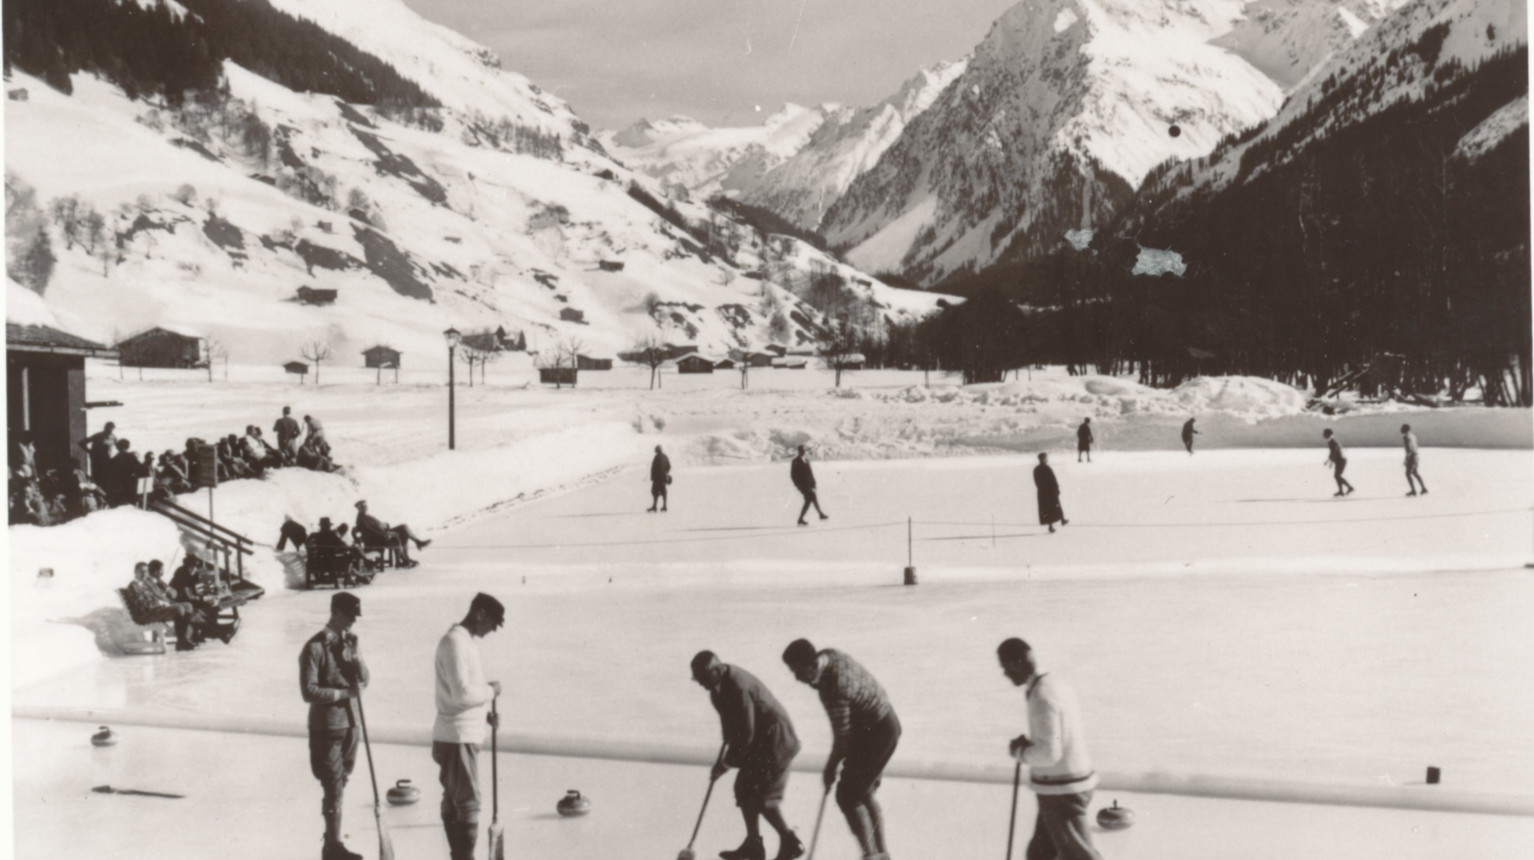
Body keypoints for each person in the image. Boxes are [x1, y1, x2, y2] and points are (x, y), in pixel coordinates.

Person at [782, 639, 898, 860]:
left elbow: (842, 739)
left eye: (797, 672)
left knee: (848, 796)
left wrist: (830, 768)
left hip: (879, 732)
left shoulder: (832, 687)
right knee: (861, 791)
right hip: (879, 724)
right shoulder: (829, 655)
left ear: (811, 665)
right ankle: (881, 854)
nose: (797, 679)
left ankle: (872, 856)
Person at [692, 651, 803, 860]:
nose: (700, 684)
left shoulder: (737, 686)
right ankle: (754, 845)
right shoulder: (716, 690)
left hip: (777, 741)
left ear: (716, 671)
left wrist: (725, 765)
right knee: (744, 788)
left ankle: (790, 843)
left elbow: (746, 732)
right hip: (761, 743)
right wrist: (723, 757)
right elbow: (730, 730)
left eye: (702, 678)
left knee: (762, 796)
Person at [996, 638, 1101, 860]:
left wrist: (1019, 752)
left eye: (1006, 667)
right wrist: (1029, 745)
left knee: (1078, 856)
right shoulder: (1055, 684)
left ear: (1017, 663)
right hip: (1067, 784)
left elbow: (1049, 754)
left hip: (1062, 791)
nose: (1005, 674)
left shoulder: (1042, 696)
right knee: (1040, 853)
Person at [433, 593, 505, 860]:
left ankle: (459, 856)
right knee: (468, 804)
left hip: (459, 734)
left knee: (456, 800)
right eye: (493, 623)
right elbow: (461, 694)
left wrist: (484, 715)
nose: (492, 631)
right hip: (457, 737)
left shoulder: (464, 642)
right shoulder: (455, 643)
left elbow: (458, 695)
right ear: (480, 614)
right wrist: (491, 691)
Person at [300, 591, 369, 860]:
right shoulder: (314, 647)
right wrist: (343, 694)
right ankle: (332, 845)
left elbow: (364, 680)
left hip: (352, 724)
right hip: (326, 727)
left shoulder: (349, 644)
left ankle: (332, 841)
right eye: (350, 615)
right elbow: (308, 691)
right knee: (333, 784)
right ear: (336, 612)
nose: (353, 621)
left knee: (343, 780)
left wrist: (357, 657)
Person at [354, 500, 430, 567]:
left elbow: (379, 525)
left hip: (383, 533)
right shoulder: (362, 520)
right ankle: (404, 559)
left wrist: (386, 526)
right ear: (359, 508)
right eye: (363, 507)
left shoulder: (366, 516)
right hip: (379, 540)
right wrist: (388, 533)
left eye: (366, 506)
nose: (365, 508)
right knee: (402, 534)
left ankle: (413, 549)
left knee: (404, 528)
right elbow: (373, 532)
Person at [790, 446, 829, 526]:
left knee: (811, 499)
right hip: (803, 485)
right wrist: (798, 485)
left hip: (809, 484)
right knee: (811, 497)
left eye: (804, 451)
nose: (803, 452)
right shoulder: (795, 461)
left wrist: (813, 483)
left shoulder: (806, 460)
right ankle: (819, 514)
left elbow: (810, 473)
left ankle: (805, 518)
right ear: (799, 451)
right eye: (801, 451)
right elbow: (793, 475)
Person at [1033, 453, 1067, 533]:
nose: (1047, 459)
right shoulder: (1046, 468)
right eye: (1045, 458)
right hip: (1049, 492)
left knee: (1050, 508)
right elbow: (1052, 480)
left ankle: (1060, 521)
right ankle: (1055, 524)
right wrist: (1056, 489)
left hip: (1043, 492)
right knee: (1052, 508)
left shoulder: (1037, 469)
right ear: (1042, 459)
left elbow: (1038, 482)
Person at [1322, 429, 1355, 497]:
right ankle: (1341, 491)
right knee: (1337, 476)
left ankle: (1349, 487)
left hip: (1341, 460)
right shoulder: (1331, 441)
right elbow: (1332, 452)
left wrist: (1331, 461)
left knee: (1337, 475)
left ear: (1328, 434)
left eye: (1324, 433)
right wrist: (1328, 460)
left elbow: (1335, 451)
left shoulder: (1332, 441)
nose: (1323, 435)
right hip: (1339, 460)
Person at [1402, 424, 1428, 496]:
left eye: (1402, 429)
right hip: (1416, 456)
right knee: (1415, 472)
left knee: (1408, 473)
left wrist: (1406, 459)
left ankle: (1413, 490)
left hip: (1412, 457)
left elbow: (1409, 449)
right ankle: (1423, 488)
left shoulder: (1406, 437)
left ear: (1405, 429)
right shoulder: (1413, 436)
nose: (1400, 430)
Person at [647, 445, 672, 512]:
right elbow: (669, 466)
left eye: (656, 450)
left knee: (655, 491)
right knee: (663, 492)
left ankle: (655, 506)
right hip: (663, 477)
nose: (655, 451)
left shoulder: (657, 457)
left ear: (658, 450)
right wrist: (665, 473)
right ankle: (664, 506)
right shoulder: (665, 457)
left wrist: (653, 477)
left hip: (657, 478)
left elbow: (654, 468)